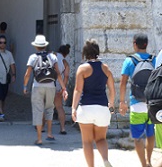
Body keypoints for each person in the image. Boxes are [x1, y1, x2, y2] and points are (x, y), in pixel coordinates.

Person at [72, 39, 115, 167]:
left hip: (86, 108)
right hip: (102, 107)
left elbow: (78, 90)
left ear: (85, 53)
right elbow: (112, 89)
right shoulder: (105, 68)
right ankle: (105, 160)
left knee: (87, 142)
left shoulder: (82, 68)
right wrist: (111, 104)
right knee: (101, 139)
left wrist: (74, 108)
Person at [23, 34, 68, 145]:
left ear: (36, 46)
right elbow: (57, 73)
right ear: (45, 46)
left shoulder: (33, 57)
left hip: (38, 86)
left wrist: (24, 86)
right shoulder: (52, 57)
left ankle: (39, 138)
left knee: (38, 110)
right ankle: (49, 133)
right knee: (49, 109)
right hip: (51, 86)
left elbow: (28, 74)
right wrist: (63, 88)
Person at [119, 33, 156, 167]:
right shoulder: (154, 60)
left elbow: (123, 83)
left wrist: (122, 102)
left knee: (137, 137)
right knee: (151, 133)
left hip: (136, 104)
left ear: (135, 44)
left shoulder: (129, 61)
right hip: (152, 104)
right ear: (146, 44)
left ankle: (143, 164)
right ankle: (150, 161)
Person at [0, 34, 16, 121]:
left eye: (4, 43)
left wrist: (13, 75)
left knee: (3, 96)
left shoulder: (9, 54)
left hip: (5, 78)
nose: (2, 44)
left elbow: (12, 65)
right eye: (1, 42)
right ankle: (1, 113)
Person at [54, 44, 70, 134]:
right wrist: (63, 88)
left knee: (46, 106)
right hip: (58, 86)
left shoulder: (52, 56)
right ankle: (63, 128)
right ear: (66, 54)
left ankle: (41, 127)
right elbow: (66, 76)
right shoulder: (65, 62)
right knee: (59, 107)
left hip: (48, 84)